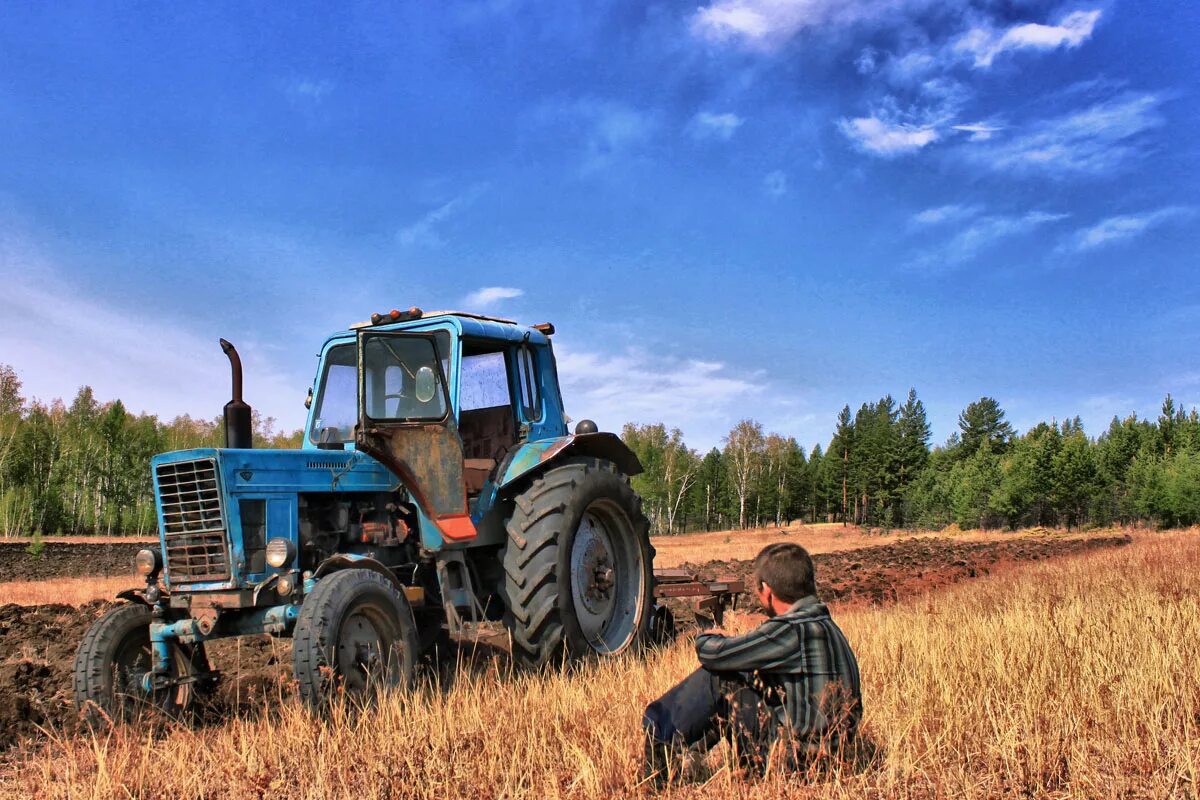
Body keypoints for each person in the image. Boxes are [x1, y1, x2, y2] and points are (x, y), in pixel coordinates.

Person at [642, 541, 862, 785]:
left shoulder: (791, 630)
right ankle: (692, 754)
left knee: (721, 678)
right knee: (749, 679)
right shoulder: (828, 626)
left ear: (767, 590)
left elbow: (715, 655)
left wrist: (709, 636)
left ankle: (658, 755)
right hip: (833, 758)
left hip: (795, 764)